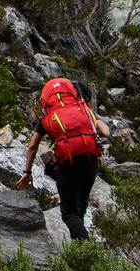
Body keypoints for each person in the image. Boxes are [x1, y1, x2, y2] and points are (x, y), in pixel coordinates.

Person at [18, 78, 110, 241]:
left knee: (68, 213)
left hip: (68, 163)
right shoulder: (84, 110)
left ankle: (85, 249)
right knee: (80, 205)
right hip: (91, 159)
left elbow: (32, 145)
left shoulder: (48, 118)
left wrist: (27, 172)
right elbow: (106, 132)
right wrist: (89, 126)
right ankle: (83, 249)